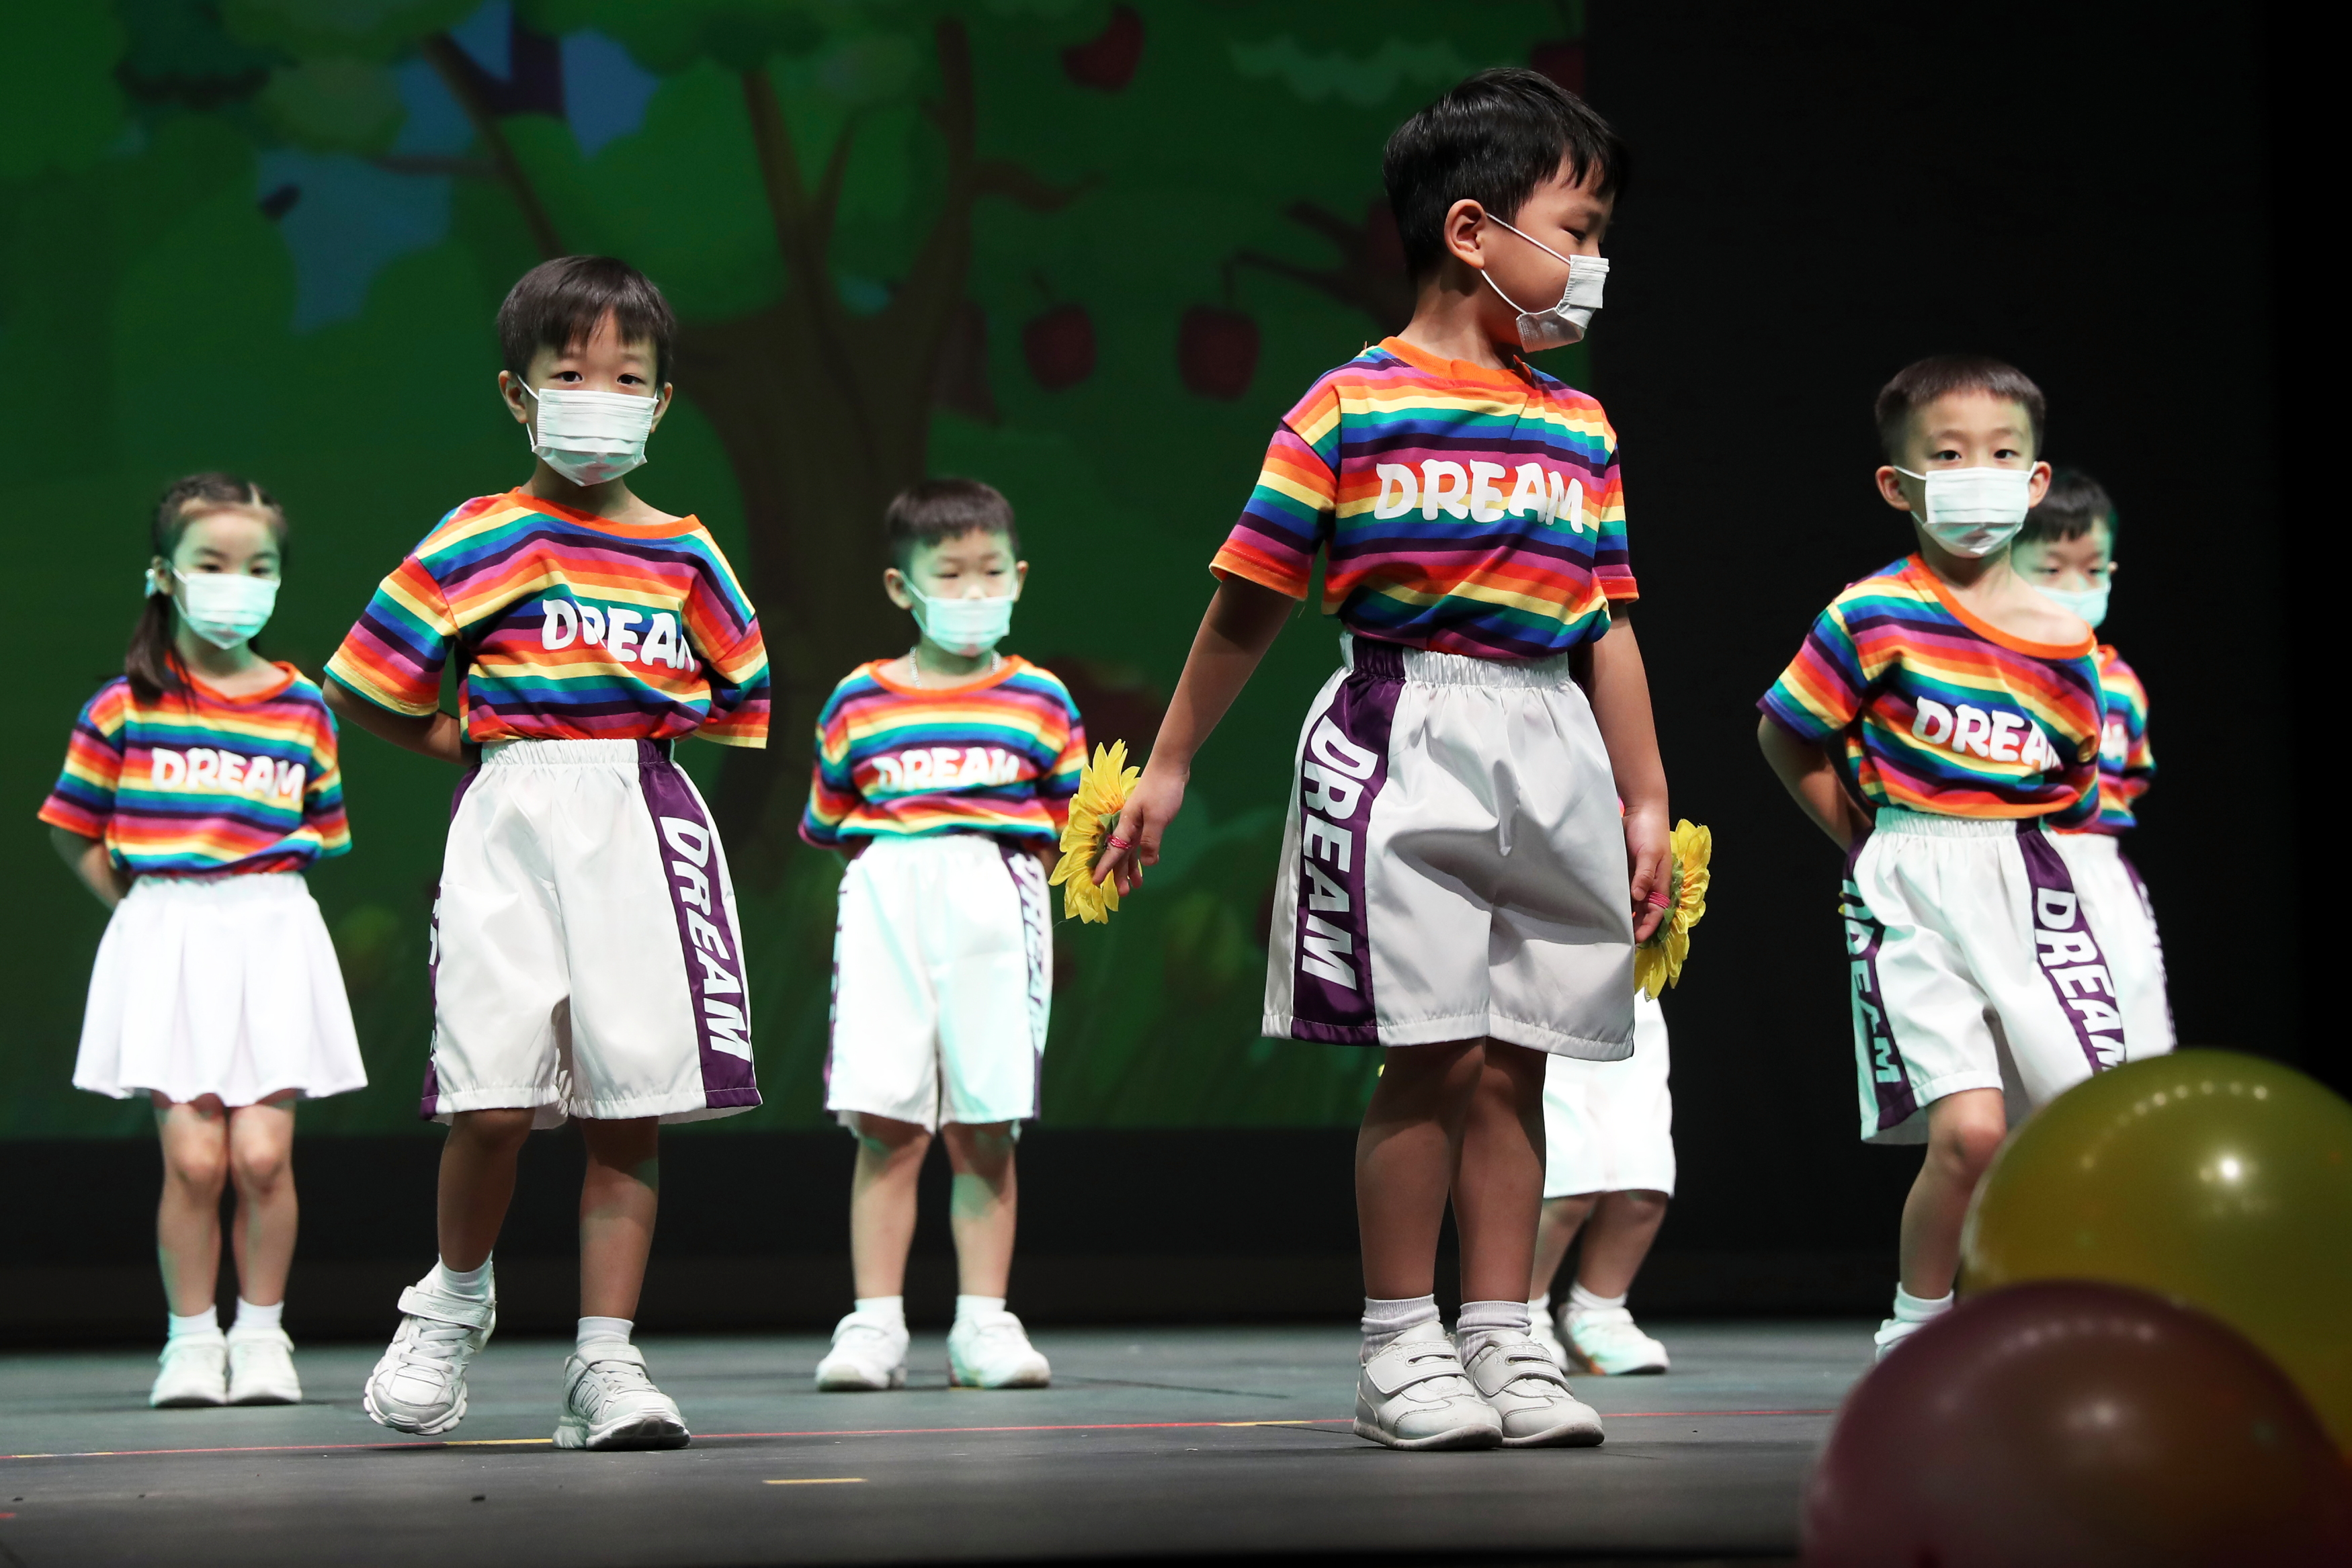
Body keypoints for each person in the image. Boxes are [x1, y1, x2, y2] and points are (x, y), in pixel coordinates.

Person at [1095, 69, 1667, 1451]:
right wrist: (1167, 766)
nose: (1593, 263)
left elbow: (1607, 626)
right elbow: (1246, 599)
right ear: (1472, 231)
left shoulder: (1580, 426)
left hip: (1550, 737)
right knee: (1431, 1051)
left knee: (1522, 1057)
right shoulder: (1348, 406)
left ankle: (1505, 1336)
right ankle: (1400, 1341)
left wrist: (1645, 793)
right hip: (1404, 729)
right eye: (1577, 231)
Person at [323, 255, 770, 1450]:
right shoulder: (480, 535)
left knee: (630, 1107)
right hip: (510, 820)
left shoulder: (688, 553)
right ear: (517, 392)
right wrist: (477, 744)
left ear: (660, 401)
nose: (598, 397)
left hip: (642, 817)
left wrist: (626, 762)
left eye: (627, 377)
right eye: (570, 373)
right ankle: (450, 1301)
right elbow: (364, 678)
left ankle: (605, 1361)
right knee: (492, 1098)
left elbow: (740, 698)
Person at [1756, 355, 2152, 1362]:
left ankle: (2054, 1314)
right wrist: (1862, 838)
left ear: (2034, 478)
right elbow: (1785, 733)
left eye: (2002, 454)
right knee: (1968, 1133)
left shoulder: (2067, 641)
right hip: (1914, 881)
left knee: (2073, 1125)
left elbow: (2073, 784)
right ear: (1897, 484)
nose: (1978, 473)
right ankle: (1915, 1327)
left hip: (2036, 885)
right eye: (1947, 455)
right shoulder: (1867, 614)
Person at [40, 473, 364, 1409]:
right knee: (193, 1161)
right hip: (167, 932)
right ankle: (190, 1342)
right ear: (165, 573)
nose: (237, 583)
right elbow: (72, 827)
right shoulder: (123, 706)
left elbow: (321, 834)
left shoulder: (301, 706)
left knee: (262, 1158)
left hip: (270, 927)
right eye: (213, 562)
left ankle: (260, 1335)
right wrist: (143, 913)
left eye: (258, 566)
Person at [800, 478, 1081, 1393]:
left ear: (1020, 577)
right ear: (901, 586)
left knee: (985, 1121)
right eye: (950, 573)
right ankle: (873, 1325)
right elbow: (831, 819)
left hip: (998, 899)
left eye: (991, 571)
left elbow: (1069, 821)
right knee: (885, 1122)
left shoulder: (1041, 700)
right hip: (886, 898)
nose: (973, 591)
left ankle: (983, 1324)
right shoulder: (857, 701)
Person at [2011, 470, 2173, 1055]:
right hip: (2019, 871)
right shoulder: (1988, 677)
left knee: (2135, 1040)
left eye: (2093, 569)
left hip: (2103, 877)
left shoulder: (2123, 684)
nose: (2075, 586)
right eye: (2052, 570)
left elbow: (2134, 778)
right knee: (2037, 1050)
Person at [1525, 992, 1673, 1375]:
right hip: (1534, 991)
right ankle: (1518, 1315)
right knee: (1564, 1178)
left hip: (1626, 986)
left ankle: (1598, 1311)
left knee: (1643, 1177)